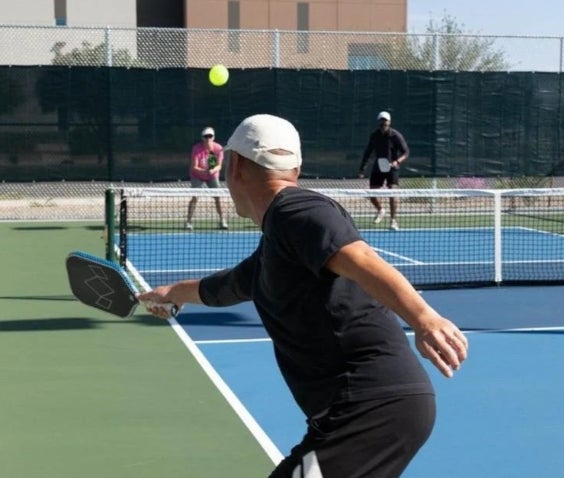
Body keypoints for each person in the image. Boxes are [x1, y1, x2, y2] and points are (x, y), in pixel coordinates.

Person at [140, 114, 468, 477]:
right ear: (296, 166)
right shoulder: (277, 244)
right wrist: (173, 293)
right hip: (367, 408)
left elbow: (359, 256)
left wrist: (424, 318)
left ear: (234, 167)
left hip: (370, 406)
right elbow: (224, 287)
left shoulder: (297, 210)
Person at [358, 111, 409, 231]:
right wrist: (362, 168)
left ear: (389, 122)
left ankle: (393, 221)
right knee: (372, 194)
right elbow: (368, 152)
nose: (383, 123)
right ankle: (381, 210)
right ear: (379, 122)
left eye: (385, 121)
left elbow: (406, 152)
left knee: (393, 192)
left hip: (393, 168)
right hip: (378, 166)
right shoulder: (374, 135)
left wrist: (397, 162)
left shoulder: (396, 136)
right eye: (381, 120)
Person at [186, 126, 228, 230]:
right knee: (195, 197)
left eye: (210, 136)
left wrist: (213, 170)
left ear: (213, 137)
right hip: (197, 176)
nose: (208, 138)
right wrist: (204, 171)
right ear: (202, 138)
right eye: (206, 136)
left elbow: (219, 165)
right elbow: (194, 167)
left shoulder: (218, 148)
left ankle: (222, 221)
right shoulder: (197, 148)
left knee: (218, 197)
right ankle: (188, 222)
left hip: (212, 176)